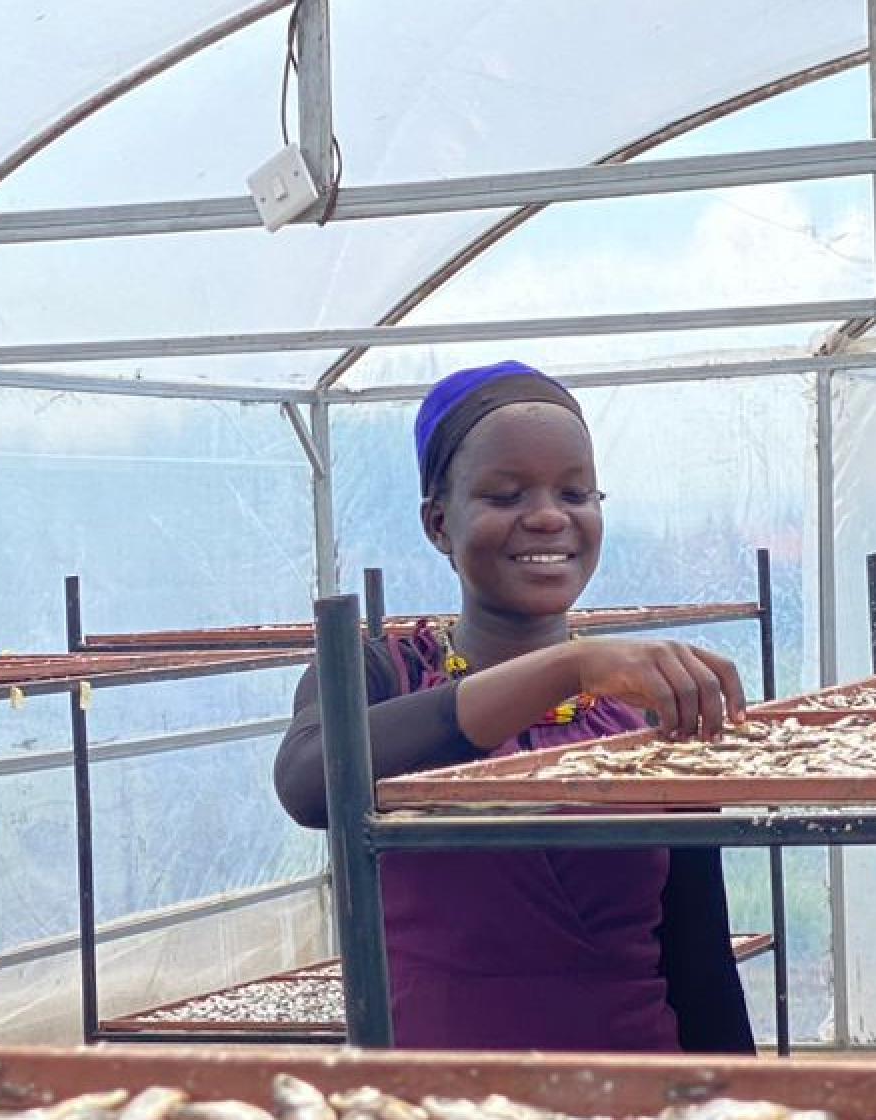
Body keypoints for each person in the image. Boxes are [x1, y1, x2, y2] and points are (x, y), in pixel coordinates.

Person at [273, 359, 756, 1053]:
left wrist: (744, 1100)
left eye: (576, 492)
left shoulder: (648, 706)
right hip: (436, 1099)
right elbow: (310, 782)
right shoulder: (379, 673)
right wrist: (569, 666)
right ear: (439, 524)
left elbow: (697, 957)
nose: (548, 516)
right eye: (504, 496)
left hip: (635, 1092)